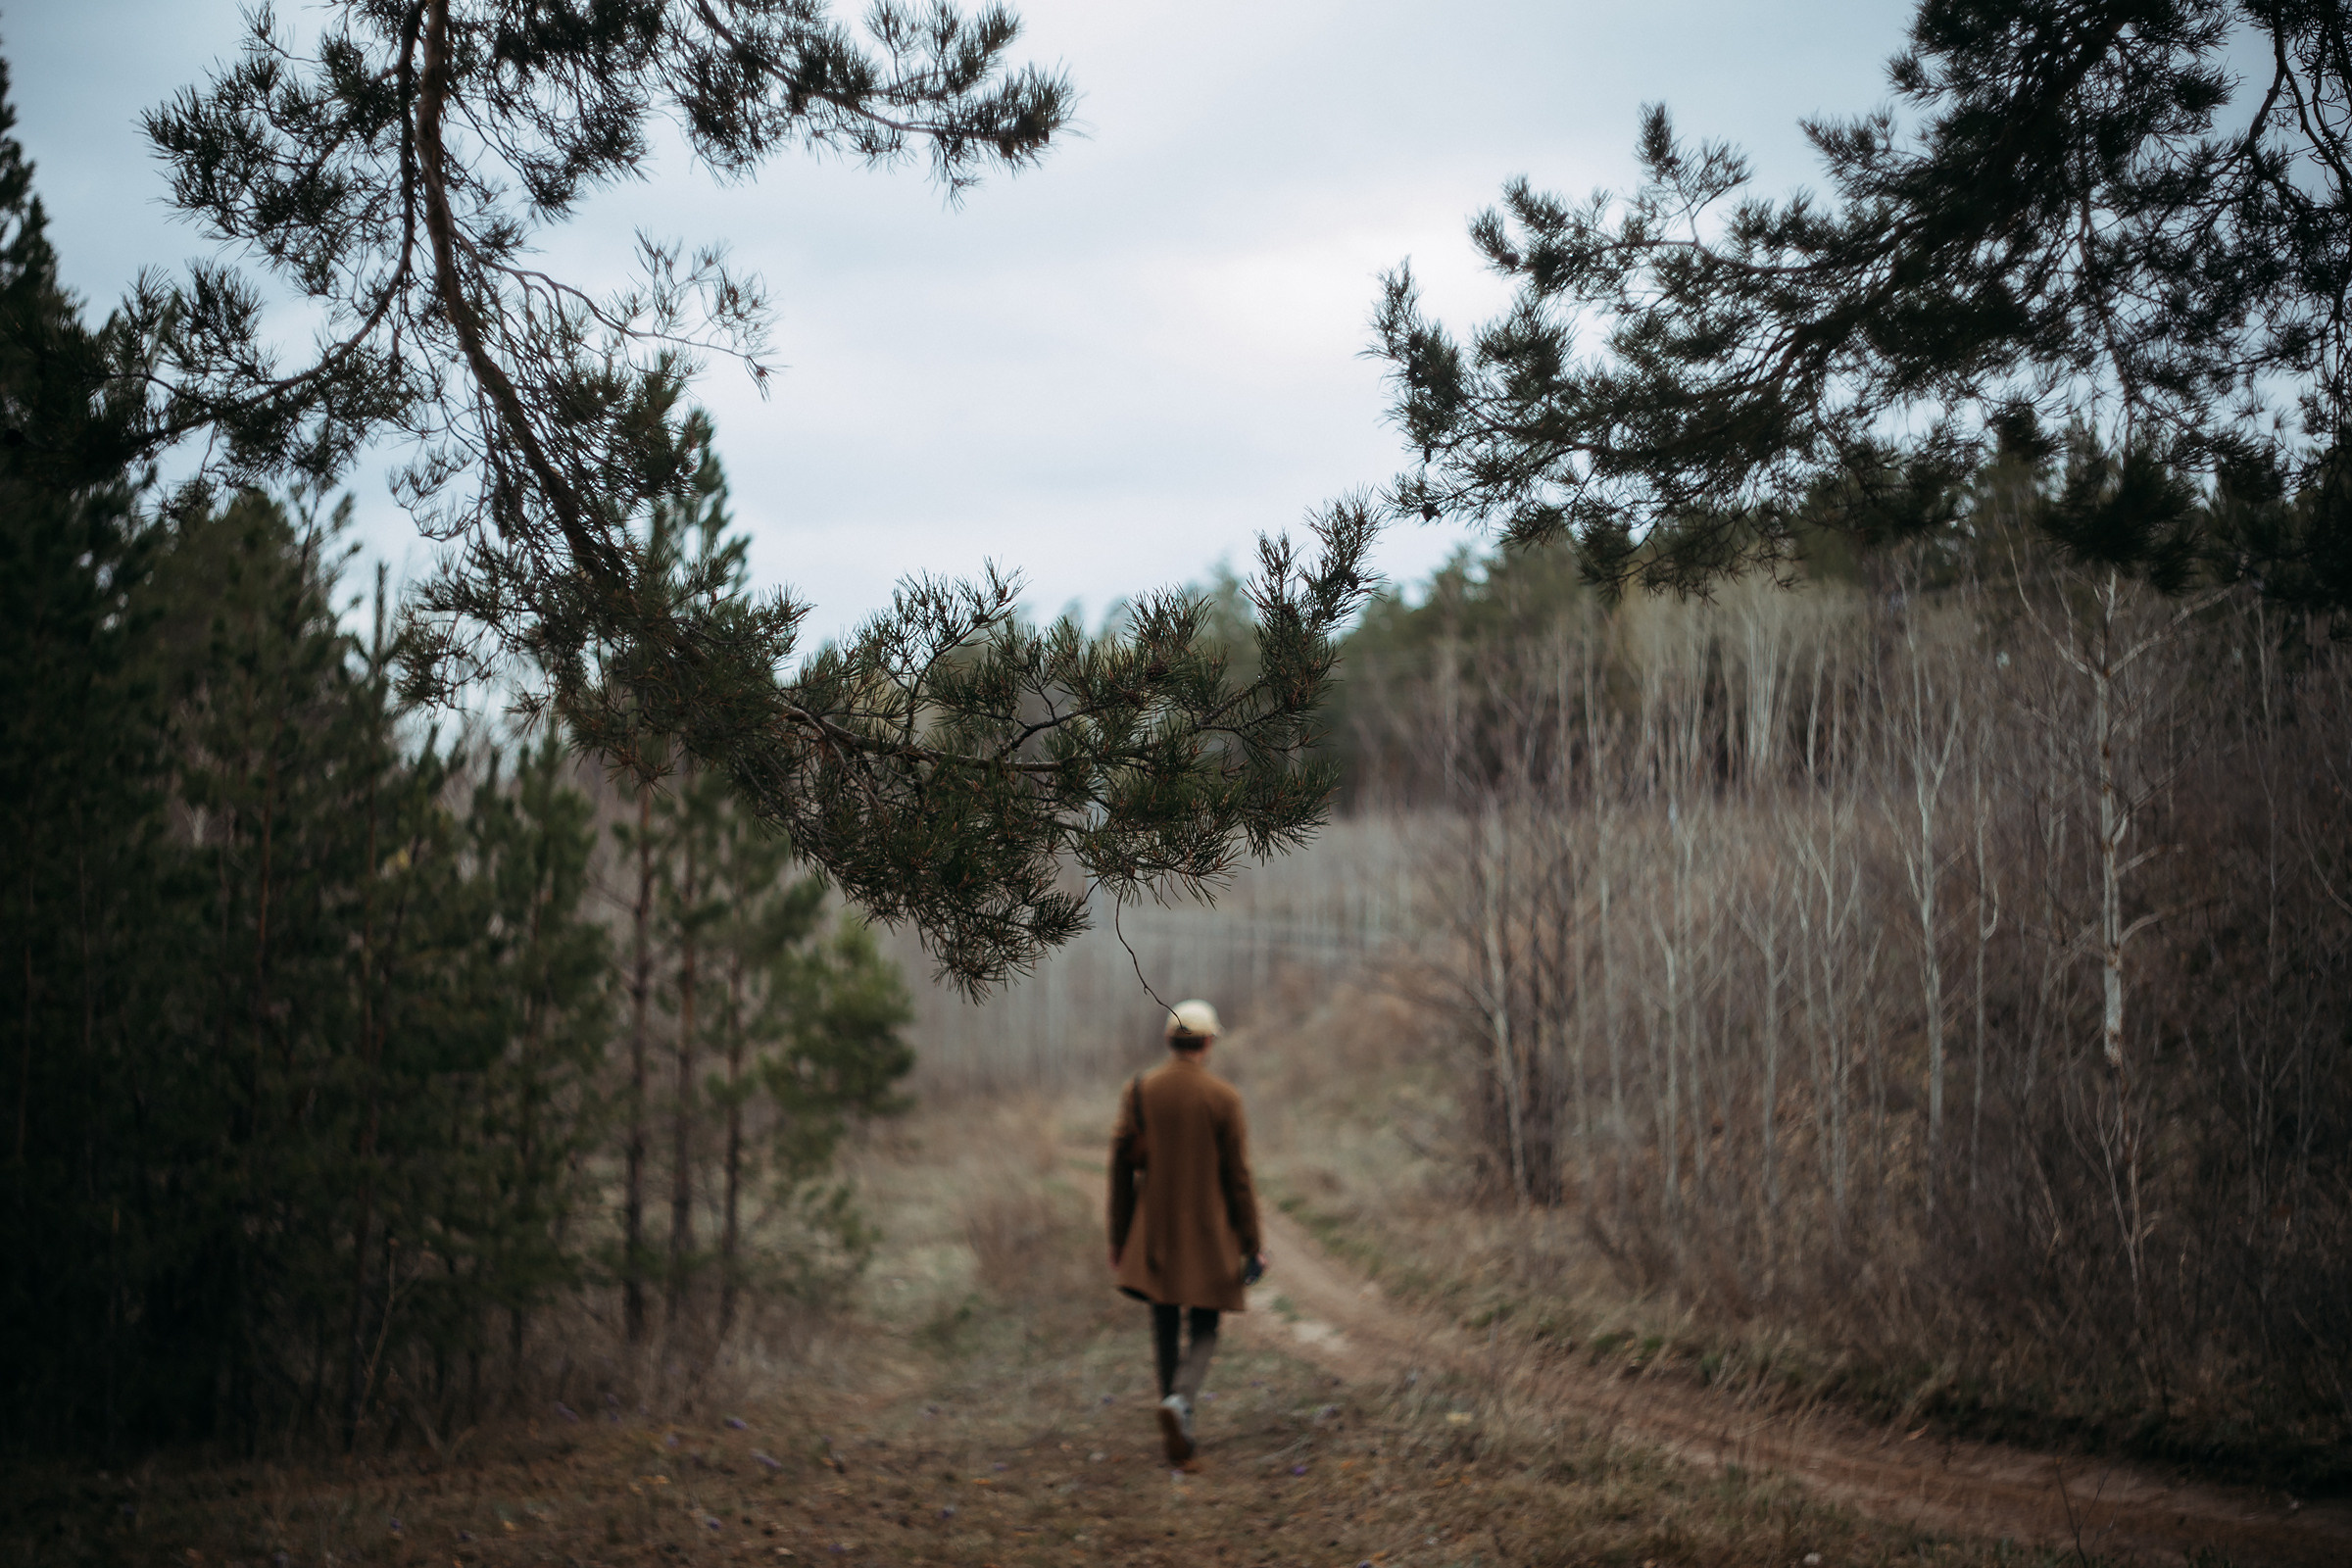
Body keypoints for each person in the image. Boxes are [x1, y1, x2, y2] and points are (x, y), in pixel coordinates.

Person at [1107, 998, 1266, 1465]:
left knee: (1163, 1320)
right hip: (1209, 1234)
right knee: (1204, 1324)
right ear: (1209, 1042)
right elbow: (1239, 1178)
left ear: (1168, 1040)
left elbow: (1119, 1171)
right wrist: (1253, 1245)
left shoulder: (1139, 1090)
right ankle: (1181, 1401)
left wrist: (1118, 1238)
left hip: (1153, 1231)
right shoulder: (1224, 1098)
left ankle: (1173, 1424)